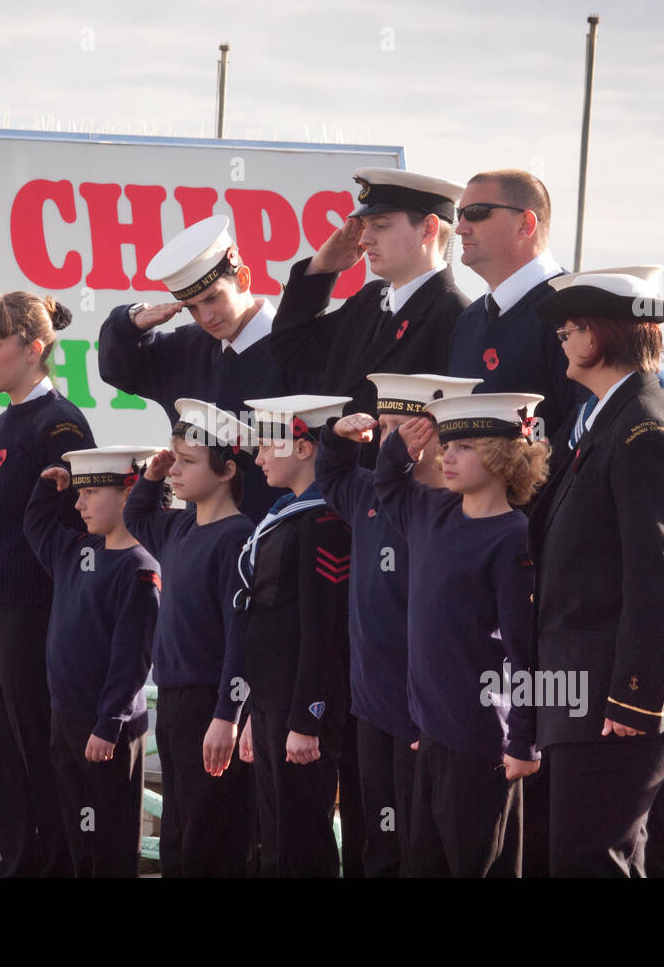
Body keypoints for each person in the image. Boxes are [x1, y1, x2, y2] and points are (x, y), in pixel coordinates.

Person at [529, 268, 664, 877]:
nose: (561, 337)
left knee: (592, 860)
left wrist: (633, 699)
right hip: (582, 692)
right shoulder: (606, 419)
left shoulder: (644, 427)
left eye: (571, 327)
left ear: (600, 336)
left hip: (617, 696)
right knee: (598, 855)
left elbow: (657, 574)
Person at [358, 391, 546, 876]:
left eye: (465, 447)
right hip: (432, 735)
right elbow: (388, 482)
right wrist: (400, 444)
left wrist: (524, 741)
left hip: (483, 741)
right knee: (423, 863)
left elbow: (527, 650)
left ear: (504, 455)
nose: (447, 455)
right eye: (448, 445)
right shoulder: (431, 511)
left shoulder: (513, 537)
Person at [0, 291, 96, 878]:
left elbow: (77, 524)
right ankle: (19, 863)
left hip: (28, 611)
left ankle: (53, 866)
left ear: (33, 348)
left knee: (38, 749)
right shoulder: (4, 421)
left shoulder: (59, 423)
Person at [314, 372, 478, 876]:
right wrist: (335, 438)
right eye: (383, 428)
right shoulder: (367, 490)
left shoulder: (456, 508)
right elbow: (333, 477)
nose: (388, 441)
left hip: (425, 712)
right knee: (379, 843)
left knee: (421, 847)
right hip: (373, 705)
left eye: (400, 429)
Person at [98, 216, 316, 521]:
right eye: (192, 307)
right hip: (204, 547)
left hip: (284, 537)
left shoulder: (302, 348)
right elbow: (117, 369)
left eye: (213, 298)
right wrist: (130, 322)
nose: (206, 316)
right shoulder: (188, 350)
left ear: (243, 279)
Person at [122, 399, 258, 877]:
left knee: (211, 830)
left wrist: (228, 716)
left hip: (210, 701)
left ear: (225, 471)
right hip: (176, 701)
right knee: (178, 828)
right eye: (174, 458)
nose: (176, 470)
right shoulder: (179, 525)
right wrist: (153, 474)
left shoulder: (237, 536)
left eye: (188, 462)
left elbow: (241, 635)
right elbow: (137, 516)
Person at [268, 167, 471, 467]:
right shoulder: (370, 301)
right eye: (364, 225)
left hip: (396, 498)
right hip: (341, 490)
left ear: (428, 229)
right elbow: (290, 349)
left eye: (381, 225)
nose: (365, 238)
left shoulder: (456, 316)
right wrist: (322, 269)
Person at [24, 447, 160, 877]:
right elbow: (37, 526)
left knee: (111, 842)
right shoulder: (77, 551)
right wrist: (49, 489)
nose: (79, 504)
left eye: (92, 492)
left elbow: (132, 657)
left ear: (129, 493)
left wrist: (109, 723)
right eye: (78, 493)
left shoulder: (139, 567)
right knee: (80, 836)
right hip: (66, 719)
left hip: (106, 728)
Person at [234, 395, 352, 877]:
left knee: (301, 837)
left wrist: (308, 717)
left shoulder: (324, 519)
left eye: (268, 446)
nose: (258, 458)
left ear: (305, 448)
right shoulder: (285, 511)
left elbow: (322, 626)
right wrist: (253, 712)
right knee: (276, 836)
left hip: (298, 704)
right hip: (271, 701)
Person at [446, 168, 586, 447]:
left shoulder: (575, 312)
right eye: (457, 216)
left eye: (476, 213)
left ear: (525, 224)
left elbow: (585, 430)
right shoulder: (469, 320)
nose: (460, 227)